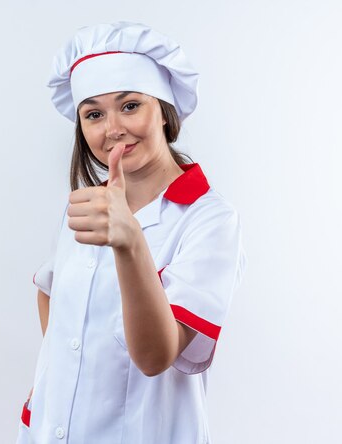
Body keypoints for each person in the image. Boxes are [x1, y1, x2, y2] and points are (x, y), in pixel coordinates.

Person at [16, 21, 248, 444]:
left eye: (130, 105)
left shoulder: (209, 220)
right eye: (94, 114)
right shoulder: (89, 205)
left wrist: (130, 242)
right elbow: (50, 289)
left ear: (163, 110)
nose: (113, 129)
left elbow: (156, 355)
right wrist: (53, 374)